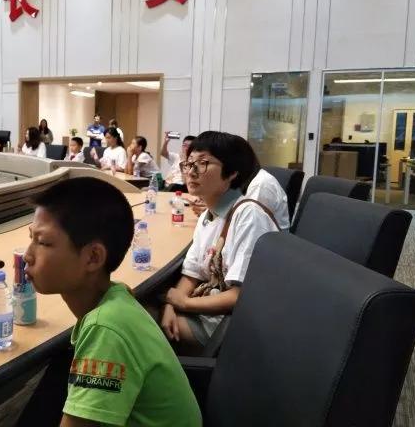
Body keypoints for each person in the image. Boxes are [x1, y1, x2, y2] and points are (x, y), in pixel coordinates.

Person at [23, 177, 202, 426]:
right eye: (31, 238)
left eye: (43, 242)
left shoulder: (106, 329)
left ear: (93, 257)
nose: (27, 255)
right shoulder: (117, 297)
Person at [160, 131, 280, 351]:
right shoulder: (208, 215)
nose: (191, 171)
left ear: (232, 173)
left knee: (130, 323)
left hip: (227, 328)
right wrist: (171, 305)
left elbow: (240, 295)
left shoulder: (248, 215)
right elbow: (192, 273)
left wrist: (184, 303)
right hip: (203, 309)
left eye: (203, 163)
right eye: (189, 163)